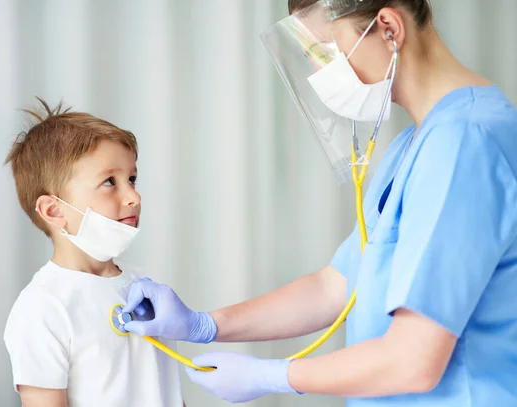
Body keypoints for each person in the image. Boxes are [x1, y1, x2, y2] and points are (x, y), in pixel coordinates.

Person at [122, 0, 517, 405]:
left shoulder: (465, 144)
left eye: (325, 51)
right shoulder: (417, 143)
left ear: (389, 28)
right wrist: (202, 324)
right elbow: (336, 286)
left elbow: (414, 360)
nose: (319, 72)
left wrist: (274, 375)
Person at [3, 98, 184, 407]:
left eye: (132, 178)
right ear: (53, 209)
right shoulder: (43, 307)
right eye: (109, 182)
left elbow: (166, 390)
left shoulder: (144, 286)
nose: (134, 196)